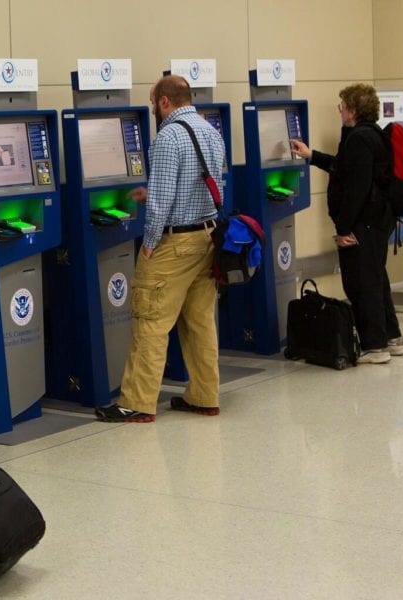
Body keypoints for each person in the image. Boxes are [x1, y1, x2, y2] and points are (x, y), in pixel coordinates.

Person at [95, 75, 225, 423]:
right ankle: (204, 396)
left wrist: (150, 244)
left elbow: (162, 204)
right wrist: (152, 194)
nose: (153, 107)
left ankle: (136, 402)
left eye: (153, 101)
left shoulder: (168, 136)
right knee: (200, 322)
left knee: (150, 320)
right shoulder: (210, 131)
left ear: (165, 101)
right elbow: (210, 187)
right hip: (207, 237)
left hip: (174, 244)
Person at [291, 84, 403, 363]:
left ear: (352, 110)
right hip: (377, 222)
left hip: (364, 225)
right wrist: (312, 155)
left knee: (362, 284)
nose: (339, 111)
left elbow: (356, 188)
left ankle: (375, 347)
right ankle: (392, 338)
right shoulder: (371, 135)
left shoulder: (359, 140)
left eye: (341, 106)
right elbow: (344, 168)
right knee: (376, 279)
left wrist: (343, 228)